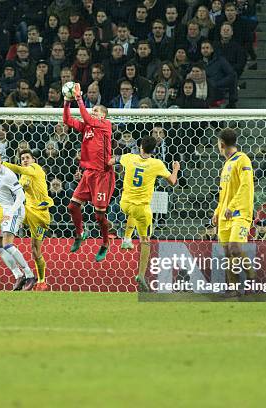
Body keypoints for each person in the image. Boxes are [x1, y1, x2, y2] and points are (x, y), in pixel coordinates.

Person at [111, 135, 179, 291]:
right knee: (145, 240)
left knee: (132, 211)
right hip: (142, 209)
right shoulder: (156, 163)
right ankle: (141, 274)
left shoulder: (129, 157)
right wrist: (175, 168)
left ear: (140, 146)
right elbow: (173, 181)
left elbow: (112, 160)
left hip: (125, 204)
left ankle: (127, 238)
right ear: (154, 150)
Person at [62, 82, 114, 261]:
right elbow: (67, 121)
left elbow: (87, 117)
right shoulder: (88, 127)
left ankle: (105, 243)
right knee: (72, 206)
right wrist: (67, 102)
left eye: (96, 112)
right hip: (88, 174)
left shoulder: (105, 125)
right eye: (93, 112)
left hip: (103, 174)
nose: (93, 114)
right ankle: (79, 234)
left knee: (99, 216)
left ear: (104, 115)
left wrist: (78, 97)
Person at [0, 150, 54, 291]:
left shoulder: (35, 169)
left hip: (40, 216)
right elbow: (14, 193)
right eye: (22, 158)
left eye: (27, 158)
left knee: (35, 251)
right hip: (27, 211)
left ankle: (41, 281)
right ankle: (19, 275)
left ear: (33, 160)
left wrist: (3, 164)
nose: (24, 160)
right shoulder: (23, 177)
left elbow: (18, 171)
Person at [212, 128, 256, 296]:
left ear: (221, 144)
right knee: (227, 252)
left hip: (240, 212)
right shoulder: (227, 164)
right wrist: (218, 210)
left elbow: (246, 186)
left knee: (235, 249)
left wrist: (233, 206)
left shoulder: (243, 160)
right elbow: (224, 192)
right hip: (225, 214)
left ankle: (251, 275)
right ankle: (233, 288)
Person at [0, 149, 36, 291]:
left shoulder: (8, 175)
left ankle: (29, 275)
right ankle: (18, 275)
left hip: (15, 211)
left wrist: (11, 212)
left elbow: (21, 196)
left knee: (7, 244)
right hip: (5, 210)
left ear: (1, 160)